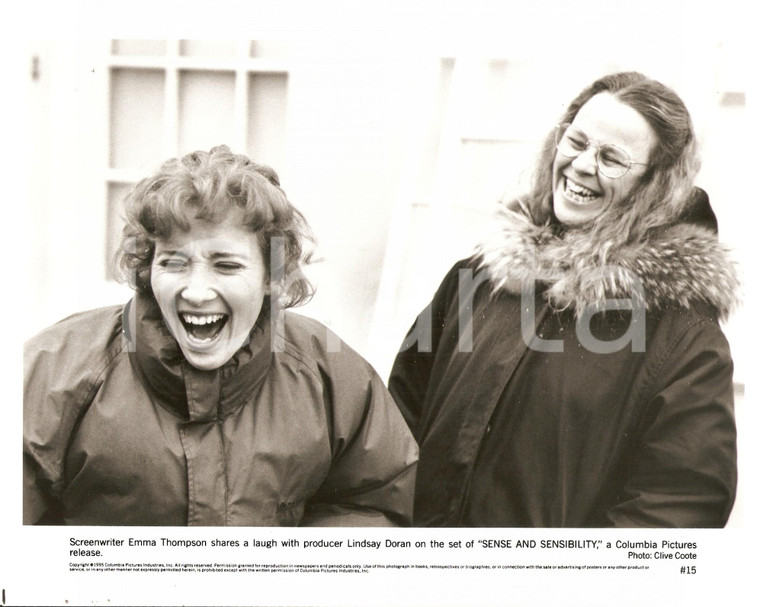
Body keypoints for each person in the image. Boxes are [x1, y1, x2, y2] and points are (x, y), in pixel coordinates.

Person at [389, 72, 739, 527]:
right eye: (575, 141)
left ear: (654, 186)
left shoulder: (684, 338)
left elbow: (677, 508)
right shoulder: (475, 280)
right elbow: (394, 431)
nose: (581, 165)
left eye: (612, 158)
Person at [24, 145, 418, 526]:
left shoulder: (331, 374)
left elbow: (375, 503)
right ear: (147, 269)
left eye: (227, 265)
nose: (196, 292)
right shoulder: (54, 369)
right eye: (173, 263)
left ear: (273, 276)